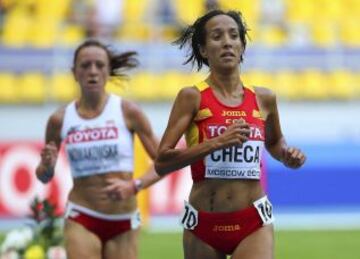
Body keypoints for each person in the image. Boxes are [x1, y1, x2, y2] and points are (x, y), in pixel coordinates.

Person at [155, 9, 306, 259]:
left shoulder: (264, 98)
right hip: (203, 224)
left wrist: (287, 154)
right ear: (203, 50)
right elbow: (162, 162)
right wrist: (217, 142)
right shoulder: (191, 97)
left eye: (233, 35)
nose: (226, 42)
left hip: (253, 222)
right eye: (216, 36)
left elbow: (275, 142)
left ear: (242, 46)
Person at [36, 39, 161, 259]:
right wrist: (46, 166)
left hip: (123, 219)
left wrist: (135, 185)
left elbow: (165, 161)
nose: (92, 71)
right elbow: (44, 176)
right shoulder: (59, 119)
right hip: (82, 214)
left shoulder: (128, 111)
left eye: (99, 65)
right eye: (85, 65)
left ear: (108, 71)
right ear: (75, 72)